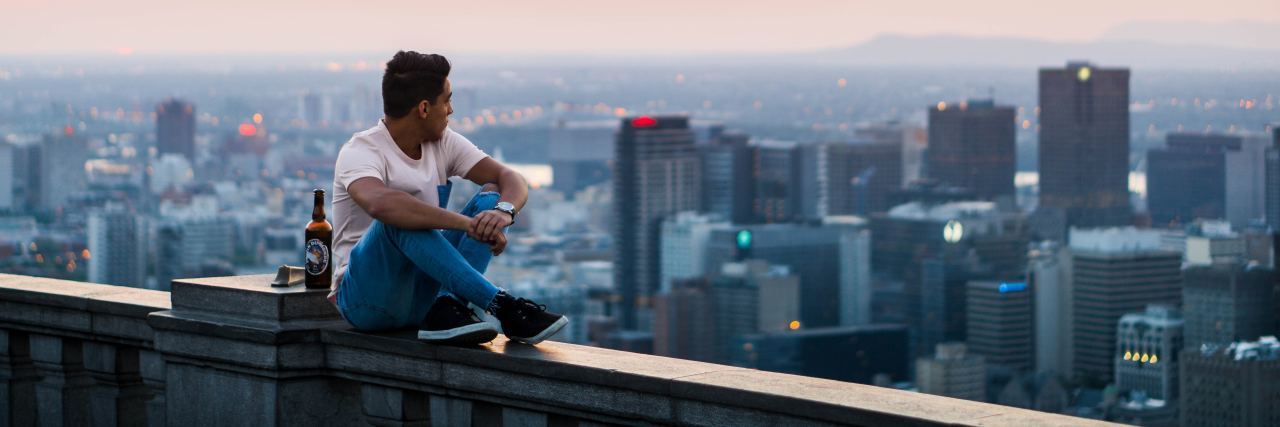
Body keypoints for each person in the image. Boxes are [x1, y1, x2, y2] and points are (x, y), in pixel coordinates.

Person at [329, 50, 567, 345]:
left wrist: (503, 212)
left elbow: (510, 179)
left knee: (491, 196)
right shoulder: (361, 151)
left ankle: (446, 307)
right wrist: (466, 224)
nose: (451, 110)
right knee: (396, 219)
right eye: (448, 100)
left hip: (424, 297)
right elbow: (381, 204)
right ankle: (501, 306)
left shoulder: (442, 142)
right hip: (367, 302)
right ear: (425, 108)